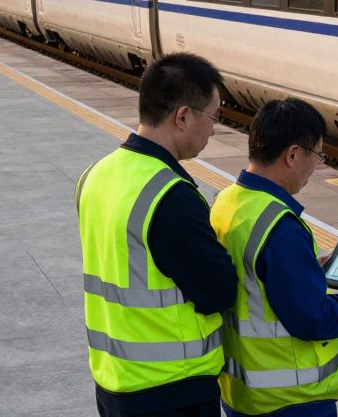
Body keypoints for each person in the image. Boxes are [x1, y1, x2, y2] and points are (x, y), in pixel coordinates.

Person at [210, 98, 338, 417]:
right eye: (318, 155)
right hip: (290, 401)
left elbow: (257, 282)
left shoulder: (227, 201)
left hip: (241, 393)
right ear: (294, 154)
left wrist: (307, 270)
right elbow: (313, 318)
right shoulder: (280, 227)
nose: (318, 166)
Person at [76, 53, 239, 417]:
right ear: (183, 116)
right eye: (214, 117)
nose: (214, 129)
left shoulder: (96, 174)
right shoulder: (170, 195)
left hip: (114, 381)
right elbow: (218, 291)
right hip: (172, 389)